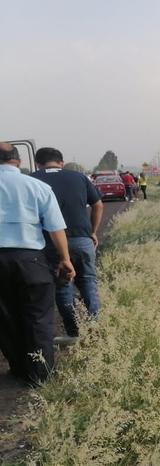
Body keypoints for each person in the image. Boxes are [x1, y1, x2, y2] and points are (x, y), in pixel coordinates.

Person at [0, 142, 75, 385]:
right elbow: (55, 228)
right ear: (18, 161)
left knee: (5, 318)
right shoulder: (37, 186)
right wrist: (65, 260)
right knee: (39, 318)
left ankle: (19, 367)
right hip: (30, 260)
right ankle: (40, 374)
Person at [31, 147, 103, 339]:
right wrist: (93, 232)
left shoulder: (32, 179)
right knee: (88, 281)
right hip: (82, 239)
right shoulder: (79, 177)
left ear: (38, 163)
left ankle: (73, 332)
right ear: (61, 162)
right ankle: (96, 329)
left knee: (63, 285)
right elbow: (98, 204)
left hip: (51, 242)